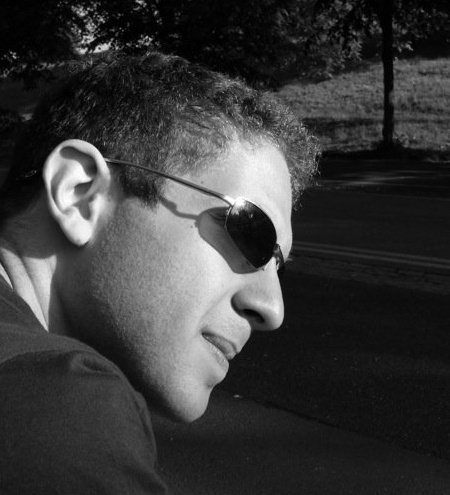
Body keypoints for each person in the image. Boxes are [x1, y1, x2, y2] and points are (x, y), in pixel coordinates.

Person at [0, 51, 319, 493]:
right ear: (79, 193)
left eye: (278, 267)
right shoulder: (56, 408)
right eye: (252, 234)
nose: (272, 308)